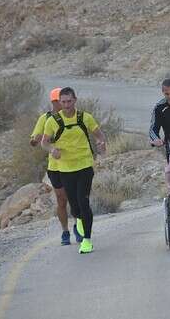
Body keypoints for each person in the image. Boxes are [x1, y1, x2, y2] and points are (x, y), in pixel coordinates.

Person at [41, 87, 106, 254]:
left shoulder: (85, 117)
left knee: (84, 202)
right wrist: (52, 150)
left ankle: (87, 240)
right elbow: (44, 142)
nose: (67, 105)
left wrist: (101, 143)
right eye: (63, 102)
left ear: (75, 100)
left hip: (84, 165)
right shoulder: (53, 121)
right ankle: (78, 219)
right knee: (75, 206)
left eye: (69, 101)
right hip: (65, 169)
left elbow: (99, 135)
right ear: (59, 103)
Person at [30, 87, 78, 245]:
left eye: (65, 100)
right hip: (55, 166)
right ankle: (65, 231)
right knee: (61, 199)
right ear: (53, 102)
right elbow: (35, 139)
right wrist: (36, 140)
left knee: (75, 198)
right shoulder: (46, 118)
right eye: (59, 101)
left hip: (73, 163)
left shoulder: (75, 115)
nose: (63, 104)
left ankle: (79, 227)